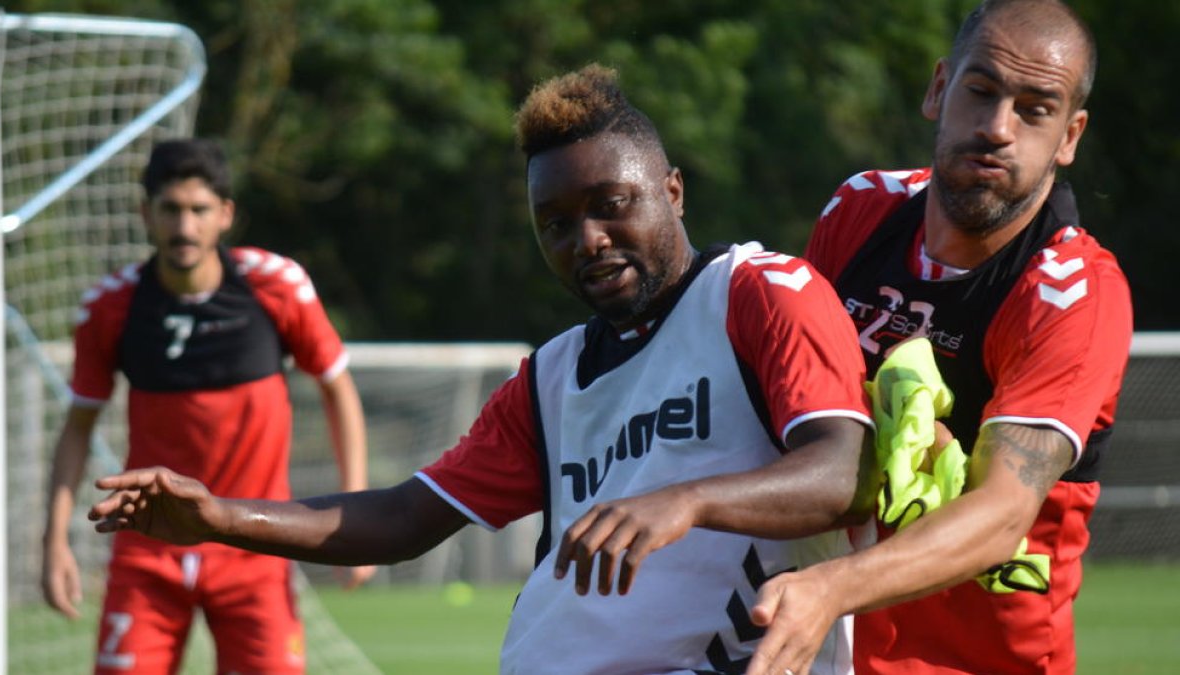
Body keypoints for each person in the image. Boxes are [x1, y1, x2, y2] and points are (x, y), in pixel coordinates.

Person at [89, 65, 876, 675]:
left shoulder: (760, 292)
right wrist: (218, 516)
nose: (589, 240)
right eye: (556, 224)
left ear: (672, 190)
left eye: (612, 204)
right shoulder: (553, 377)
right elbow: (404, 518)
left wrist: (687, 500)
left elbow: (840, 472)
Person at [745, 2, 1133, 674]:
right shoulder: (860, 208)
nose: (997, 128)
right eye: (980, 92)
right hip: (831, 649)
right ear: (937, 89)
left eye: (1034, 109)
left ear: (1070, 136)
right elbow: (798, 406)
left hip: (981, 660)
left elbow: (1002, 514)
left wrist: (828, 588)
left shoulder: (1074, 292)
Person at [41, 139, 374, 675]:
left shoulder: (276, 286)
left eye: (199, 210)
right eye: (170, 209)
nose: (184, 226)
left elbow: (338, 389)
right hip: (148, 549)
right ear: (146, 214)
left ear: (225, 215)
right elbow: (79, 426)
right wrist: (54, 541)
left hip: (256, 542)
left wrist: (354, 515)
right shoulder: (110, 307)